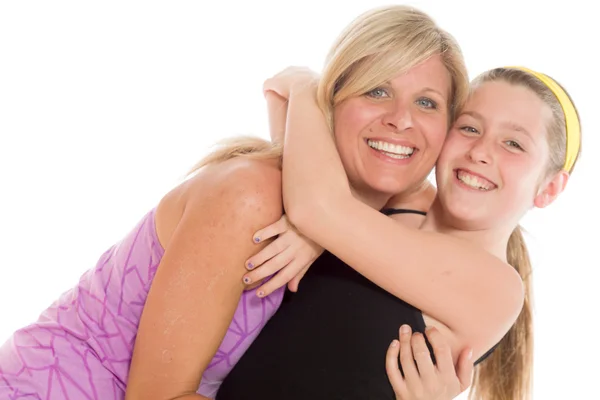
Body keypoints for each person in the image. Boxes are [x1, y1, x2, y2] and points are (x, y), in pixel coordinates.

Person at [0, 5, 470, 400]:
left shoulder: (398, 220)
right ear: (334, 101)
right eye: (377, 90)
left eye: (427, 103)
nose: (401, 120)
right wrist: (304, 89)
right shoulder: (251, 198)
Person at [215, 65, 580, 400]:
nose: (480, 152)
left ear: (549, 188)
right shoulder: (398, 196)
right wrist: (310, 230)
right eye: (469, 127)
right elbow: (287, 123)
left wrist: (305, 84)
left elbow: (317, 205)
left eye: (513, 144)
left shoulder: (497, 289)